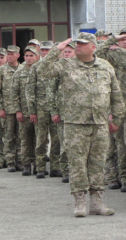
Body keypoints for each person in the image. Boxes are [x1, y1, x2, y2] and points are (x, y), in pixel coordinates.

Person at [37, 33, 125, 217]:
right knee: (77, 164)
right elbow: (42, 71)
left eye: (83, 44)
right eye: (77, 43)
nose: (78, 46)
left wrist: (116, 119)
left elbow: (116, 95)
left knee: (97, 164)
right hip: (75, 124)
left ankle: (97, 202)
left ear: (93, 47)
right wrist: (57, 50)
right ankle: (80, 202)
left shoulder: (105, 66)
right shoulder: (66, 65)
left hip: (99, 123)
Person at [95, 33, 126, 192]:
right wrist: (114, 40)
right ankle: (113, 177)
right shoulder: (113, 55)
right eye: (124, 39)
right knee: (112, 144)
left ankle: (124, 177)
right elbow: (97, 52)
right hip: (114, 106)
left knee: (123, 144)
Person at [26, 41, 61, 178]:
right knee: (41, 140)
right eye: (44, 51)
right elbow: (30, 90)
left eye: (48, 50)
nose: (46, 53)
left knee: (57, 140)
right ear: (40, 51)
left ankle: (55, 167)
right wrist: (32, 111)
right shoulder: (36, 68)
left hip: (56, 110)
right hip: (41, 109)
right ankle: (40, 168)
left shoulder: (59, 66)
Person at [47, 41, 76, 183]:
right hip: (63, 114)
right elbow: (50, 92)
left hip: (79, 115)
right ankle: (66, 171)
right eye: (65, 52)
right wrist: (54, 111)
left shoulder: (80, 67)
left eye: (69, 51)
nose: (66, 54)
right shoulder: (59, 68)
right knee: (64, 144)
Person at [10, 46, 39, 176]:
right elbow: (14, 93)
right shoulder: (19, 73)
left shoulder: (41, 71)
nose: (28, 58)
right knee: (25, 140)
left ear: (37, 57)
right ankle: (26, 165)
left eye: (31, 55)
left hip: (39, 112)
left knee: (40, 140)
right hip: (24, 111)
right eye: (26, 56)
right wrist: (18, 111)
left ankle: (39, 165)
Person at [0, 45, 23, 172]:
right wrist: (0, 108)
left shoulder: (23, 69)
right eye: (9, 54)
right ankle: (10, 161)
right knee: (9, 135)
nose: (10, 56)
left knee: (21, 136)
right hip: (8, 109)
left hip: (22, 109)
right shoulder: (1, 71)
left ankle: (20, 160)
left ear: (18, 55)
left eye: (13, 54)